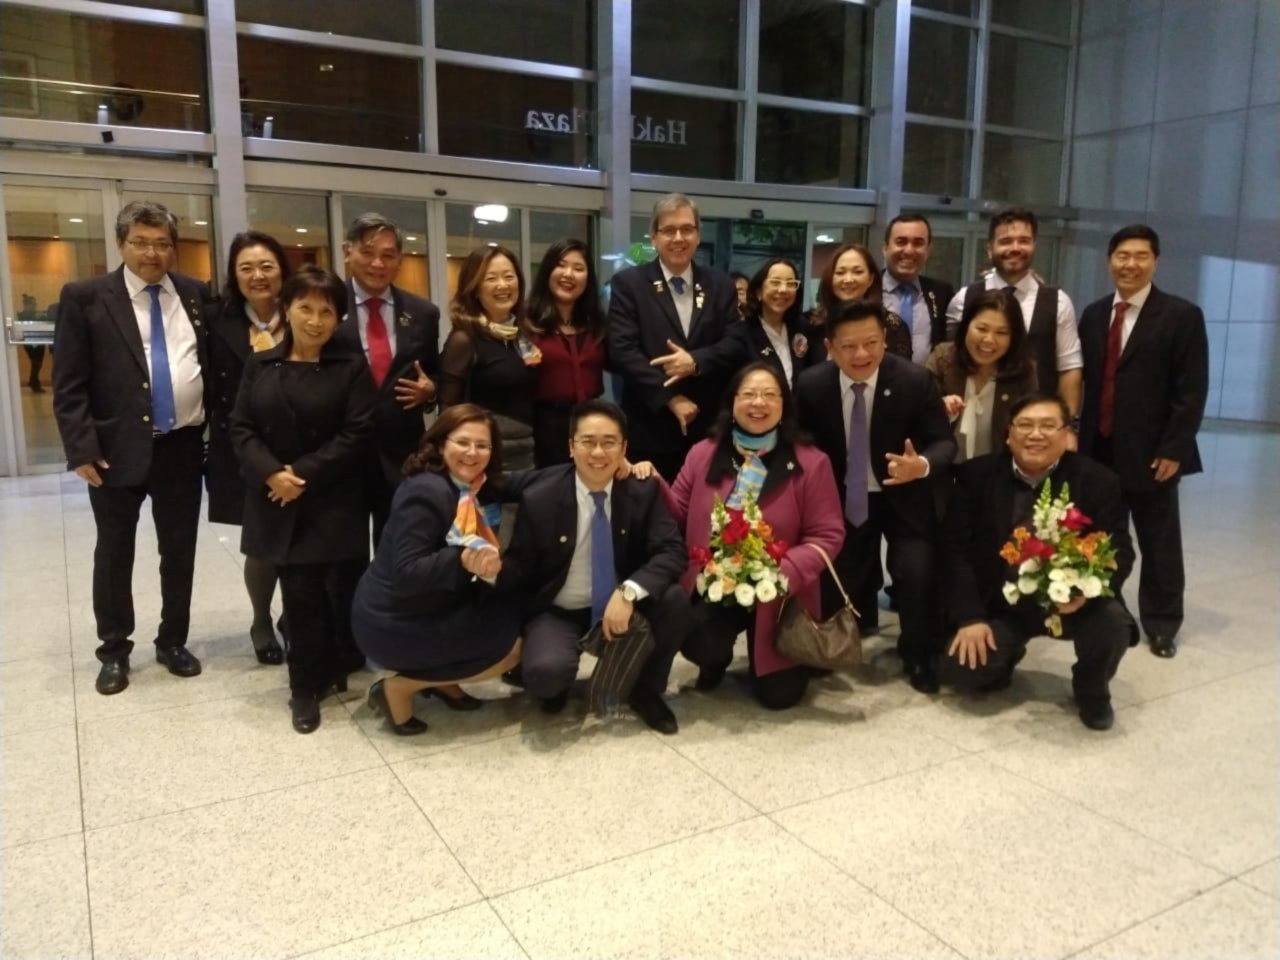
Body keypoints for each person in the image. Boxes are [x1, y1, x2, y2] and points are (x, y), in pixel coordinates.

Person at [53, 200, 212, 696]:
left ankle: (173, 640)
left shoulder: (195, 294)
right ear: (121, 243)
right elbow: (68, 382)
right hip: (114, 449)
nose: (152, 253)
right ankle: (114, 649)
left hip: (182, 447)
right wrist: (81, 448)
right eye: (141, 242)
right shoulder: (86, 297)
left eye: (162, 243)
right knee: (114, 552)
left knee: (179, 550)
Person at [230, 266, 377, 734]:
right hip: (277, 498)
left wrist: (301, 473)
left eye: (326, 312)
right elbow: (241, 428)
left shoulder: (350, 367)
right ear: (286, 309)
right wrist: (272, 473)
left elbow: (358, 432)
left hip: (333, 498)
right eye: (305, 308)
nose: (315, 320)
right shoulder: (260, 364)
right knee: (300, 595)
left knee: (338, 591)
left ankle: (336, 666)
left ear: (339, 319)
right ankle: (303, 689)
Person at [938, 394, 1137, 731]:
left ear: (1066, 434)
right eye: (1025, 425)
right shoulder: (976, 476)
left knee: (1111, 624)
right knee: (963, 671)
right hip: (1002, 602)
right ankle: (1007, 655)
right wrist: (970, 617)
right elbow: (955, 550)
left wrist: (1085, 592)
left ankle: (1091, 687)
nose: (1035, 434)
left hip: (1069, 602)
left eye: (1048, 426)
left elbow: (1120, 550)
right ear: (1008, 434)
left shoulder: (1099, 481)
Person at [795, 300, 956, 693]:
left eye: (871, 342)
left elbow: (943, 442)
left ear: (885, 339)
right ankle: (831, 642)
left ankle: (918, 652)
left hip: (903, 495)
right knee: (834, 574)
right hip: (841, 497)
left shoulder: (915, 380)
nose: (861, 354)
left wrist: (921, 465)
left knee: (915, 572)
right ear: (830, 347)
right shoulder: (811, 385)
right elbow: (798, 442)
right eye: (849, 346)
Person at [664, 362, 845, 710]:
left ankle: (778, 660)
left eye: (769, 395)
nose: (758, 403)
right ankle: (714, 659)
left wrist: (781, 573)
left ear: (784, 404)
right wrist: (651, 482)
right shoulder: (703, 453)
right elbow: (677, 512)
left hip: (779, 589)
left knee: (780, 697)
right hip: (717, 581)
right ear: (732, 402)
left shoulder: (812, 462)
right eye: (748, 394)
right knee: (699, 642)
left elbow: (828, 534)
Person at [500, 399, 688, 733]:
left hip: (622, 605)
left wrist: (629, 592)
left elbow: (672, 550)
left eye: (608, 442)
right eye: (588, 441)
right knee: (545, 677)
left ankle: (644, 689)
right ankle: (557, 678)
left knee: (674, 600)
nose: (598, 452)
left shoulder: (641, 489)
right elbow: (520, 570)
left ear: (624, 449)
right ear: (571, 447)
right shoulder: (541, 497)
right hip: (560, 609)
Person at [350, 405, 528, 736]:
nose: (472, 453)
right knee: (514, 646)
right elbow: (408, 573)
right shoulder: (426, 491)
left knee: (507, 606)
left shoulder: (467, 486)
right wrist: (462, 558)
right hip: (392, 621)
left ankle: (444, 681)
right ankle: (400, 688)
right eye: (463, 442)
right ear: (440, 444)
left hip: (424, 606)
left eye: (482, 445)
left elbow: (526, 480)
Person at [1077, 224, 1209, 659]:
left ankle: (1163, 624)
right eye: (1122, 256)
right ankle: (1108, 612)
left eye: (1140, 256)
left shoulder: (1181, 315)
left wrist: (1175, 448)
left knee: (1159, 542)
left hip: (1154, 453)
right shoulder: (1094, 314)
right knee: (1102, 538)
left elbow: (1191, 390)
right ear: (1109, 261)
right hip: (1099, 449)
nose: (1130, 264)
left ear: (1156, 261)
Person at [607, 192, 745, 480]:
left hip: (709, 431)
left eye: (687, 229)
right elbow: (622, 351)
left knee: (711, 507)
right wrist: (669, 398)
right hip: (649, 430)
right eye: (669, 230)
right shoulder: (630, 284)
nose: (678, 238)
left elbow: (735, 343)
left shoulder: (720, 285)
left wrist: (696, 361)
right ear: (654, 237)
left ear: (698, 235)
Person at [205, 230, 292, 665]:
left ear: (282, 271)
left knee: (301, 537)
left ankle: (294, 617)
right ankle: (261, 620)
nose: (258, 276)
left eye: (267, 266)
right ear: (234, 275)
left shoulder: (303, 312)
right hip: (242, 448)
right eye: (247, 268)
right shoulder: (215, 320)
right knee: (260, 540)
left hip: (298, 446)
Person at [332, 213, 440, 547]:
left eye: (388, 255)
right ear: (347, 252)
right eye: (367, 252)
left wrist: (431, 391)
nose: (377, 263)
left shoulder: (423, 313)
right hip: (341, 451)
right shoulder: (327, 307)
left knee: (396, 546)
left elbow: (434, 371)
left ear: (400, 260)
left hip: (401, 451)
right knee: (342, 551)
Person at [945, 208, 1083, 428]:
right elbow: (950, 359)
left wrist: (1068, 428)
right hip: (967, 421)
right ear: (989, 249)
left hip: (1035, 428)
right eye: (1006, 241)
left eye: (1024, 241)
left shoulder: (1058, 302)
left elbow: (1069, 369)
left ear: (1034, 245)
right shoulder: (964, 299)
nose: (1015, 248)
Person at [438, 245, 539, 471]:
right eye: (491, 278)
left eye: (509, 277)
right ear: (474, 288)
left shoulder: (523, 335)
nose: (502, 285)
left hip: (527, 455)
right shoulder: (464, 339)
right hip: (484, 460)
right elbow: (448, 410)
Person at [926, 288, 1037, 463]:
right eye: (982, 329)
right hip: (941, 468)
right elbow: (917, 413)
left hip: (997, 471)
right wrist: (940, 406)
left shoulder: (1024, 370)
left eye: (1001, 333)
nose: (989, 340)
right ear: (966, 326)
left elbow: (1030, 425)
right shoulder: (943, 358)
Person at [526, 238, 607, 467]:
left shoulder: (597, 324)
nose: (569, 274)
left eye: (578, 268)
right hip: (544, 427)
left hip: (592, 423)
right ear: (547, 271)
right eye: (561, 265)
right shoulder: (527, 323)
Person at [803, 243, 910, 364]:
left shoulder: (891, 325)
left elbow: (900, 372)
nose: (848, 280)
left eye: (857, 272)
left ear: (870, 279)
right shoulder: (811, 323)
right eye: (840, 272)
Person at [880, 214, 956, 364]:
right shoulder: (866, 290)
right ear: (885, 248)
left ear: (928, 250)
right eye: (901, 242)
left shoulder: (942, 293)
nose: (909, 251)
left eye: (918, 243)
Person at [740, 258, 814, 388]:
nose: (783, 289)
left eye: (790, 283)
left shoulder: (803, 327)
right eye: (775, 282)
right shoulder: (742, 331)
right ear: (759, 292)